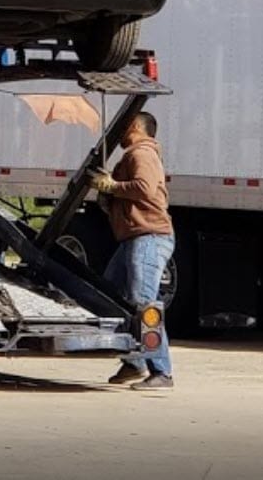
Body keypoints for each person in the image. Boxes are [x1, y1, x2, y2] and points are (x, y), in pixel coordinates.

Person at [88, 111, 175, 391]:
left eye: (125, 125)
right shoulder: (134, 156)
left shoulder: (142, 153)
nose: (119, 131)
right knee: (113, 294)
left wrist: (113, 186)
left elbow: (145, 189)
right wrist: (108, 195)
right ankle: (135, 362)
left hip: (148, 237)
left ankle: (161, 371)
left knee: (142, 302)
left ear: (136, 126)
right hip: (135, 237)